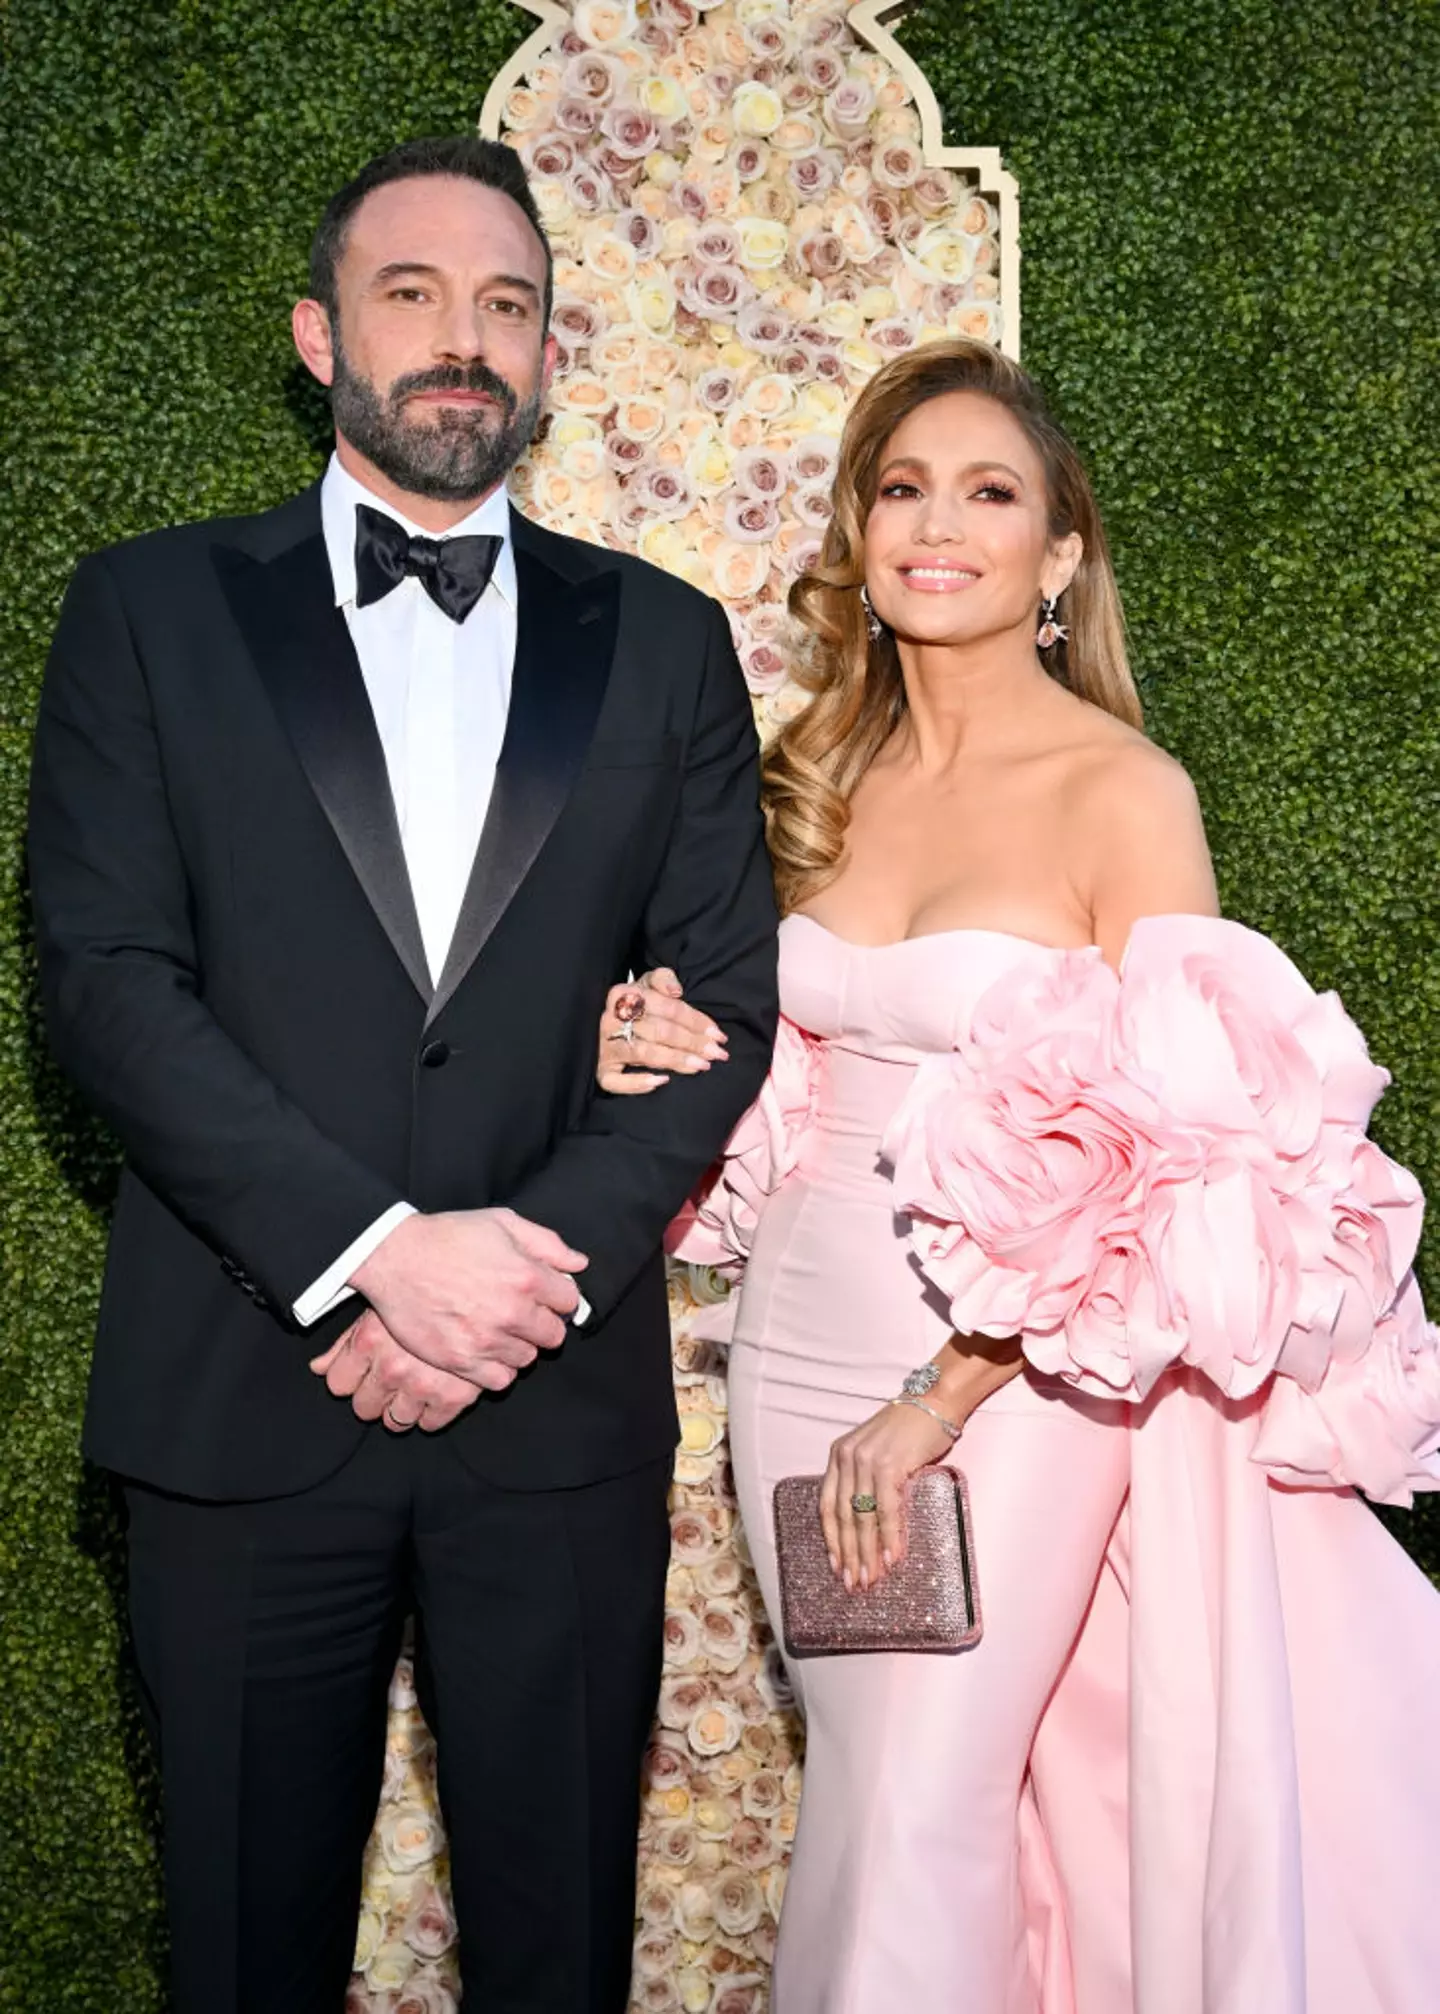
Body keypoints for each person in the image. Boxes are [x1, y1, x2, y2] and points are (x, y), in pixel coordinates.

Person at [28, 135, 778, 2014]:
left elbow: (723, 1004)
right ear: (319, 334)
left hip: (555, 1411)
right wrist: (376, 1252)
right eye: (413, 293)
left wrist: (510, 1277)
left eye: (507, 304)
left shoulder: (666, 639)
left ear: (549, 357)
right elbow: (107, 985)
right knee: (243, 1951)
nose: (465, 338)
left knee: (560, 1954)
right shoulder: (146, 612)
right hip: (242, 1399)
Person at [598, 339, 1440, 2012]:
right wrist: (654, 1042)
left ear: (1060, 557)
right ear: (860, 532)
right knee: (873, 1787)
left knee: (924, 1802)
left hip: (1021, 1377)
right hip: (795, 1348)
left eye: (990, 493)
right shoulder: (811, 782)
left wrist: (943, 1393)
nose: (938, 525)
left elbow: (1185, 1164)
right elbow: (780, 1070)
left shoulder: (1124, 792)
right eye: (903, 487)